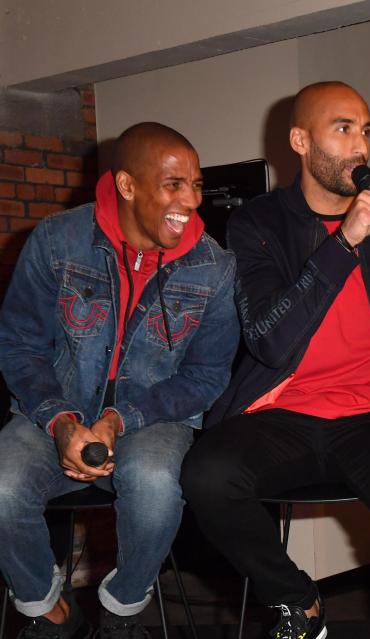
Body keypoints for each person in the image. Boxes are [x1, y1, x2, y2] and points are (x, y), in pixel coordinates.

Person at [180, 81, 370, 639]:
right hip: (280, 413)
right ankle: (297, 599)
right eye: (343, 129)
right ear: (300, 141)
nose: (360, 146)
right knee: (204, 476)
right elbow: (267, 340)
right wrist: (343, 244)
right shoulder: (258, 224)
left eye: (366, 130)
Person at [0, 122, 239, 639]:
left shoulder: (214, 269)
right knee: (1, 487)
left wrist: (118, 419)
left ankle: (122, 613)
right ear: (127, 185)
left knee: (154, 486)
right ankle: (51, 613)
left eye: (195, 185)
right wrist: (61, 420)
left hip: (152, 418)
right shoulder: (58, 240)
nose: (190, 201)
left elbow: (207, 375)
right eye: (174, 184)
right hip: (51, 411)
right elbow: (20, 346)